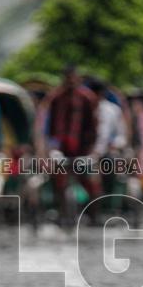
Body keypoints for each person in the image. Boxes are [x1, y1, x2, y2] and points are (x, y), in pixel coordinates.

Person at [41, 66, 100, 220]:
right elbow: (49, 126)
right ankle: (62, 213)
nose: (71, 82)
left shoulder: (87, 98)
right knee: (58, 180)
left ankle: (94, 215)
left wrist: (92, 151)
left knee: (90, 182)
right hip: (61, 149)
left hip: (83, 149)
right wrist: (48, 148)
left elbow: (94, 126)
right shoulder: (56, 98)